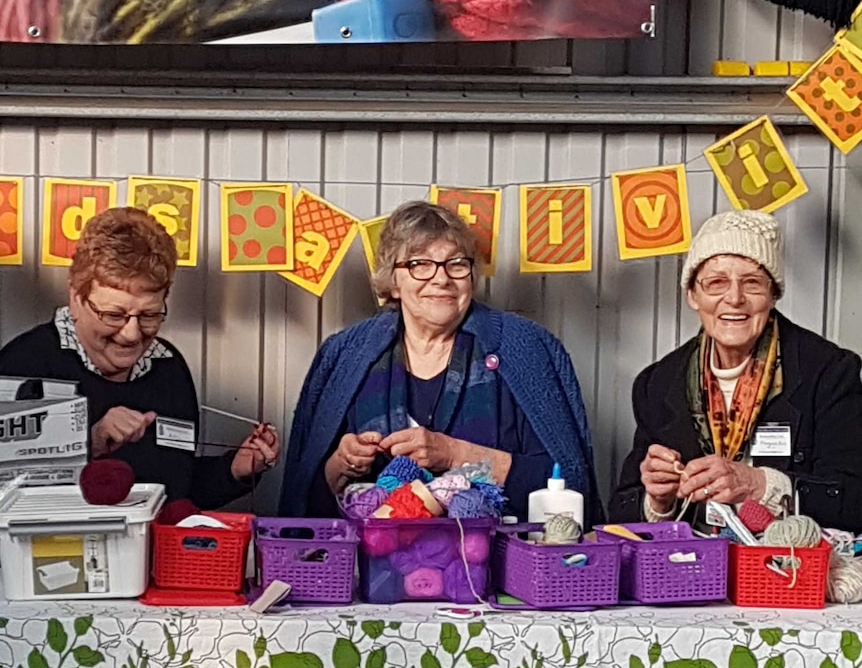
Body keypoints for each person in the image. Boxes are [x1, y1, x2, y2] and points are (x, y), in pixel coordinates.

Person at [280, 200, 601, 523]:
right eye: (420, 264)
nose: (441, 279)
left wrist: (455, 454)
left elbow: (569, 486)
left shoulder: (524, 348)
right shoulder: (346, 355)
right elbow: (302, 506)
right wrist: (340, 463)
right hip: (371, 565)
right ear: (392, 281)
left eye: (456, 264)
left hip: (497, 563)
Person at [0, 207, 280, 507]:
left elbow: (175, 488)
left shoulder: (167, 367)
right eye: (113, 315)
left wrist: (234, 470)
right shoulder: (23, 366)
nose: (132, 334)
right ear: (76, 297)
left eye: (149, 315)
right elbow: (10, 490)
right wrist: (90, 443)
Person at [610, 209, 862, 532]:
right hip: (694, 569)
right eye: (716, 283)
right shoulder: (658, 383)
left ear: (773, 295)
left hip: (788, 569)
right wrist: (658, 502)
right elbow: (618, 512)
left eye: (752, 283)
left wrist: (760, 485)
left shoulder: (828, 372)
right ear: (693, 295)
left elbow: (853, 500)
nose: (734, 298)